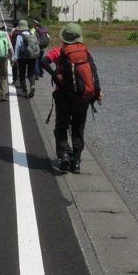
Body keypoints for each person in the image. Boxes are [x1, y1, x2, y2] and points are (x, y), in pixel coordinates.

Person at [40, 22, 102, 174]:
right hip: (82, 96)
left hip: (63, 95)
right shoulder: (85, 50)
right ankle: (76, 162)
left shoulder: (60, 50)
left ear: (65, 37)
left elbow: (44, 61)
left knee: (61, 125)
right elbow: (92, 72)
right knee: (78, 126)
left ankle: (64, 155)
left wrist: (55, 76)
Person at [13, 19, 39, 98]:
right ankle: (32, 85)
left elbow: (17, 47)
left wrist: (15, 58)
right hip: (32, 56)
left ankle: (25, 91)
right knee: (31, 74)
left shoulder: (19, 36)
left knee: (22, 74)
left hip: (22, 57)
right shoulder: (32, 34)